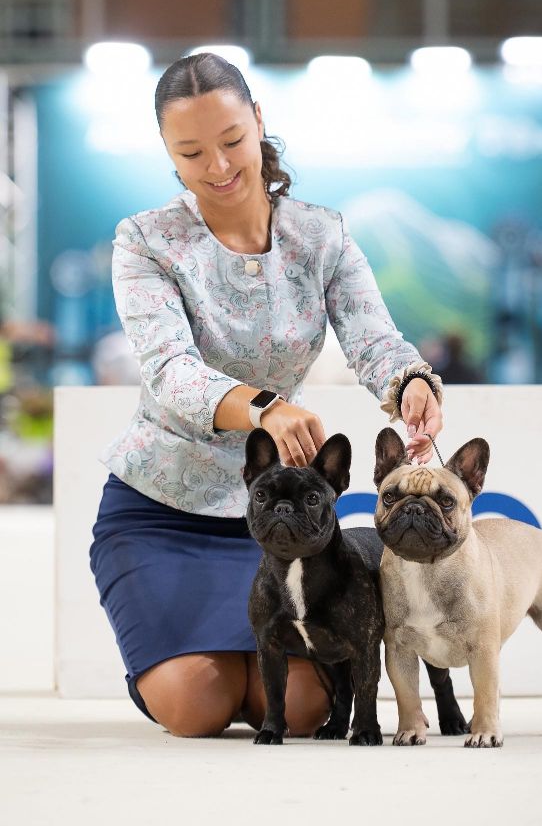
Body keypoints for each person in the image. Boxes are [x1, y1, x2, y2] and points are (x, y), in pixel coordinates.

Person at [89, 52, 445, 739]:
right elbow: (169, 371)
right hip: (160, 511)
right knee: (197, 706)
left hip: (284, 526)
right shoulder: (144, 242)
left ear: (258, 121)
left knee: (305, 710)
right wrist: (264, 406)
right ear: (167, 151)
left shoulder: (322, 235)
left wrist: (411, 383)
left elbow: (374, 340)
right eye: (191, 152)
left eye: (230, 141)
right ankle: (180, 656)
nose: (217, 166)